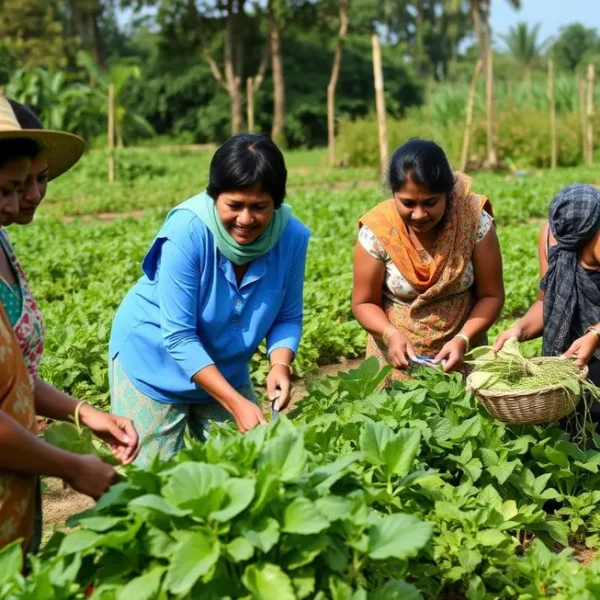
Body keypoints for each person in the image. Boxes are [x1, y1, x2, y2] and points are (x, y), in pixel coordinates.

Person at [109, 133, 311, 467]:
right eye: (234, 205)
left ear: (276, 203)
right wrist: (235, 403)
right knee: (149, 483)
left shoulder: (290, 237)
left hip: (224, 367)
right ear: (213, 196)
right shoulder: (188, 231)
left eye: (259, 207)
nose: (245, 219)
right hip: (152, 361)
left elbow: (287, 317)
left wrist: (280, 364)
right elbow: (178, 335)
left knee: (245, 469)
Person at [0, 102, 132, 554]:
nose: (23, 200)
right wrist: (73, 467)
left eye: (35, 182)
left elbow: (13, 376)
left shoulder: (2, 241)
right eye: (11, 188)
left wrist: (84, 413)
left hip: (15, 483)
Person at [352, 138, 504, 381]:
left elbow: (491, 295)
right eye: (408, 203)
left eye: (430, 203)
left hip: (461, 359)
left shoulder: (473, 221)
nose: (420, 214)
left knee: (461, 416)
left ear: (448, 194)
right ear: (394, 194)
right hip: (396, 363)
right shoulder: (378, 231)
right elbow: (363, 303)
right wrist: (390, 334)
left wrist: (463, 339)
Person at [495, 185, 600, 398]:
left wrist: (596, 334)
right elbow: (545, 303)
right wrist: (520, 330)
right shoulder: (551, 233)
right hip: (572, 354)